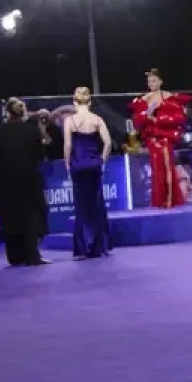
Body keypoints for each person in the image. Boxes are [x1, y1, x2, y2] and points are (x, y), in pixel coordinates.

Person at [0, 98, 50, 266]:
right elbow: (39, 155)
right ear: (23, 112)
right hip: (29, 180)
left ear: (7, 113)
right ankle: (33, 255)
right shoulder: (31, 131)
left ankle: (15, 256)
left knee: (11, 216)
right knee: (30, 216)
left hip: (7, 181)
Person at [130, 69, 191, 209]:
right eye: (149, 81)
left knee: (168, 167)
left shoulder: (168, 96)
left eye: (154, 81)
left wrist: (157, 119)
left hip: (166, 138)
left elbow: (179, 118)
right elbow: (138, 121)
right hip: (152, 139)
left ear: (161, 82)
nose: (151, 84)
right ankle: (159, 201)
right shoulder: (143, 99)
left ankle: (170, 200)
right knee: (157, 169)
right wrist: (147, 117)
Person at [64, 86, 113, 259]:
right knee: (96, 203)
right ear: (90, 102)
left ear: (74, 102)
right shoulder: (97, 119)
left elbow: (68, 145)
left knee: (81, 205)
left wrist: (67, 164)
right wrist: (102, 160)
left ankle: (83, 246)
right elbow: (108, 143)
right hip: (94, 165)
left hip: (78, 165)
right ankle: (101, 245)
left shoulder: (70, 121)